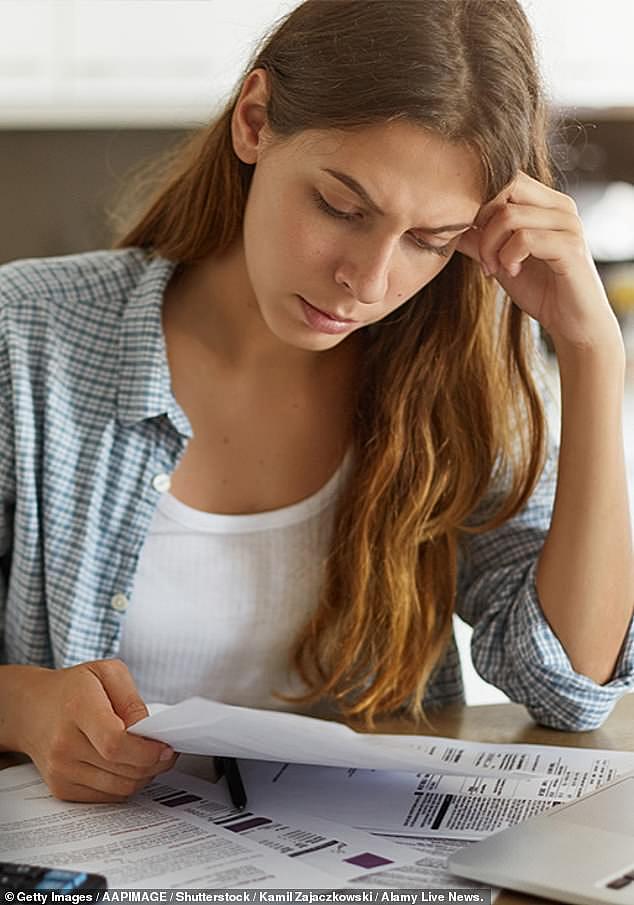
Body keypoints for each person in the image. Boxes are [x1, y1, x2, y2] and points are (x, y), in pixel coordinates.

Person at [0, 0, 632, 804]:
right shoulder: (26, 336)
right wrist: (22, 706)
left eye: (429, 241)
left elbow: (570, 687)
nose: (369, 284)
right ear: (256, 121)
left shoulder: (465, 378)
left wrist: (591, 353)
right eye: (341, 208)